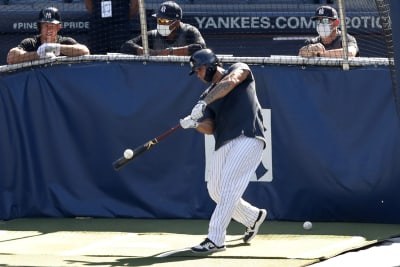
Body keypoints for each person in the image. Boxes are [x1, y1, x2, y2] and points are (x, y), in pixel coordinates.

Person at [179, 49, 267, 253]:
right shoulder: (206, 95)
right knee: (216, 190)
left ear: (211, 65)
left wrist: (204, 102)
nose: (199, 75)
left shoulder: (239, 69)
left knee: (228, 187)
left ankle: (216, 238)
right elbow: (209, 128)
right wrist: (194, 124)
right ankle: (252, 217)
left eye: (200, 70)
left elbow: (231, 82)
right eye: (196, 72)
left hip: (248, 137)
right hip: (223, 143)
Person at [7, 7, 90, 65]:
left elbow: (85, 51)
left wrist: (56, 47)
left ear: (58, 27)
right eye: (45, 25)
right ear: (40, 26)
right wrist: (39, 55)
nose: (49, 29)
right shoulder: (31, 43)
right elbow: (11, 57)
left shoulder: (65, 41)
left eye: (52, 26)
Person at [120, 1, 206, 56]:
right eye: (159, 20)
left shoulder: (189, 31)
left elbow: (201, 48)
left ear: (176, 22)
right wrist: (150, 52)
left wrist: (171, 52)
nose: (160, 23)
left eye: (164, 21)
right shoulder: (153, 35)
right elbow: (126, 47)